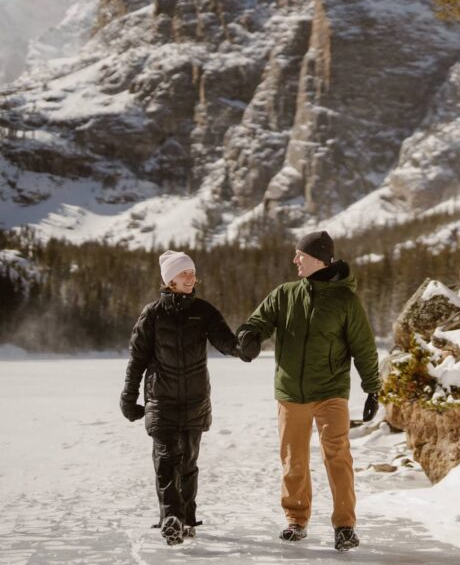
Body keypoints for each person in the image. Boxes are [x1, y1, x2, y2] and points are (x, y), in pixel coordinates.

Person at [237, 230, 381, 552]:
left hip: (330, 392)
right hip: (290, 393)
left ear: (318, 258)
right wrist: (248, 336)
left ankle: (345, 526)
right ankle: (296, 519)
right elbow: (258, 321)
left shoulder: (346, 301)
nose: (295, 260)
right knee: (293, 460)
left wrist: (372, 388)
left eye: (299, 255)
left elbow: (364, 347)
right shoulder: (285, 294)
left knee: (337, 456)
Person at [120, 250, 242, 545]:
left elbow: (226, 341)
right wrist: (129, 396)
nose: (192, 278)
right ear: (170, 279)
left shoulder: (204, 311)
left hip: (195, 400)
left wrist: (243, 349)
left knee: (187, 462)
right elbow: (137, 359)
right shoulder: (152, 314)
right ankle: (171, 516)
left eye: (193, 273)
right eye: (185, 273)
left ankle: (186, 518)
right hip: (161, 400)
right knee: (165, 458)